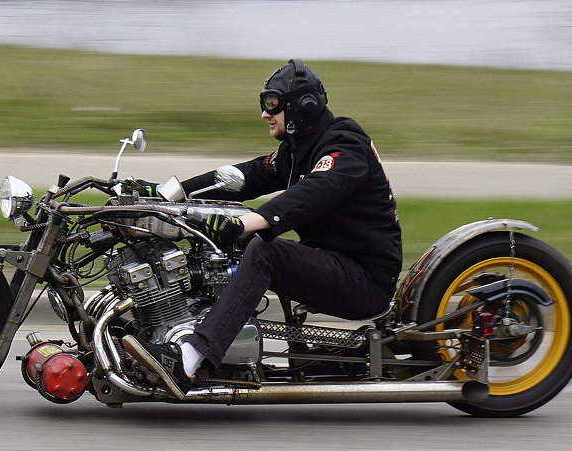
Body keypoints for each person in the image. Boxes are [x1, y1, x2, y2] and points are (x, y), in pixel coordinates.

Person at [127, 59, 402, 394]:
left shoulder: (345, 145)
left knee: (265, 251)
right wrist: (169, 194)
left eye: (273, 105)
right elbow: (249, 176)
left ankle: (192, 357)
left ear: (304, 107)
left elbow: (311, 194)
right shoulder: (299, 150)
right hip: (330, 260)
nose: (264, 114)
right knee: (222, 248)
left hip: (364, 279)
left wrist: (245, 224)